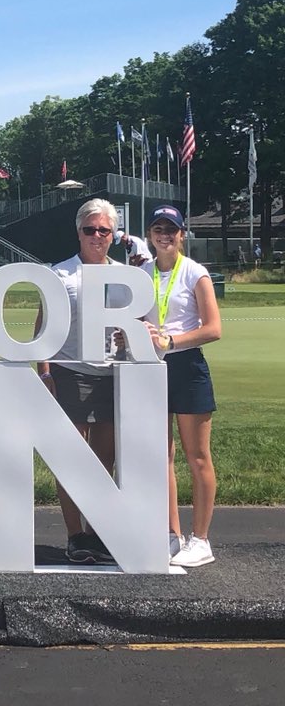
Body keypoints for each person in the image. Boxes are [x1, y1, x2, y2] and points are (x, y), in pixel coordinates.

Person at [35, 198, 130, 564]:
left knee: (103, 461)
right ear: (79, 232)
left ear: (113, 234)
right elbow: (42, 328)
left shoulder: (124, 277)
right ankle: (75, 535)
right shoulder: (61, 274)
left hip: (111, 375)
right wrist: (44, 371)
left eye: (103, 230)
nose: (96, 236)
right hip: (69, 371)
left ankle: (96, 534)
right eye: (89, 229)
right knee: (72, 458)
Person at [141, 204, 221, 568]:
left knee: (197, 456)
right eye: (158, 228)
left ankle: (200, 538)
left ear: (181, 234)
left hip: (186, 365)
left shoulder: (195, 273)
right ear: (150, 235)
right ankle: (171, 535)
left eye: (171, 229)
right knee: (163, 457)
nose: (164, 235)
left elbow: (213, 328)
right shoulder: (141, 272)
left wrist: (171, 342)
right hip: (151, 366)